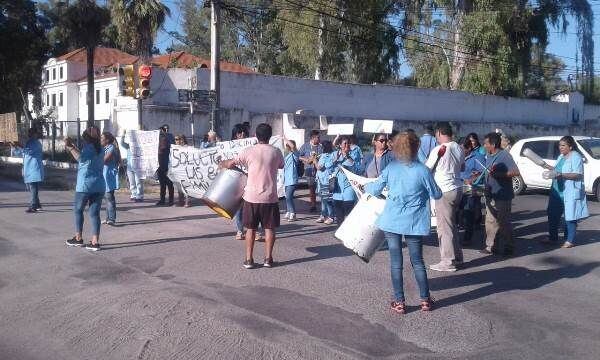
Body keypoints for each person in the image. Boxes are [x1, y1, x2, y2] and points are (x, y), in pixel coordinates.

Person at [365, 131, 442, 313]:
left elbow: (374, 190)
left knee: (396, 263)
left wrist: (365, 185)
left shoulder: (391, 168)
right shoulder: (423, 170)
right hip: (414, 222)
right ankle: (425, 300)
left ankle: (399, 302)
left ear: (396, 148)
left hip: (392, 220)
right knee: (418, 261)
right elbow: (437, 194)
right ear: (417, 148)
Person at [220, 123, 284, 269]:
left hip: (251, 196)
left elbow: (231, 163)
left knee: (251, 229)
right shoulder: (276, 151)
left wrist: (223, 163)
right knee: (269, 228)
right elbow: (281, 165)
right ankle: (268, 259)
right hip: (270, 197)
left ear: (255, 135)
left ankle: (249, 260)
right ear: (270, 136)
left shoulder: (248, 151)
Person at [425, 122, 465, 272]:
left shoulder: (439, 149)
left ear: (440, 133)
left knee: (444, 228)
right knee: (452, 224)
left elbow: (426, 169)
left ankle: (447, 261)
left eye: (436, 135)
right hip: (457, 187)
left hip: (444, 189)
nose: (436, 137)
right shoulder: (458, 147)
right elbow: (462, 167)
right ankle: (458, 257)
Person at [542, 136, 589, 248]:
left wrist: (561, 175)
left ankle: (570, 240)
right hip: (557, 191)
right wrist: (545, 165)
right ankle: (553, 238)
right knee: (552, 214)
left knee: (570, 216)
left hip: (570, 191)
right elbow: (556, 170)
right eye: (559, 145)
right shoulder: (561, 157)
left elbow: (578, 174)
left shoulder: (576, 157)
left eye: (563, 145)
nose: (560, 147)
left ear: (570, 146)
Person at [478, 132, 520, 256]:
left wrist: (499, 175)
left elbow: (516, 172)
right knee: (490, 222)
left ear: (493, 144)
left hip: (503, 196)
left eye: (486, 143)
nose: (484, 145)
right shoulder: (489, 155)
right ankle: (491, 246)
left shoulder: (504, 156)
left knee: (503, 222)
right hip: (491, 194)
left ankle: (509, 246)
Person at [64, 126, 105, 251]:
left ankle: (78, 238)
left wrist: (70, 147)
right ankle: (95, 242)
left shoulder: (89, 148)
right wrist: (72, 145)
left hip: (85, 185)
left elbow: (81, 159)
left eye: (84, 138)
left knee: (78, 210)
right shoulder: (101, 149)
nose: (83, 140)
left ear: (87, 138)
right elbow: (84, 156)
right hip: (99, 185)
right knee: (94, 214)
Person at [12, 127, 44, 213]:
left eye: (32, 133)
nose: (30, 134)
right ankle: (37, 204)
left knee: (33, 188)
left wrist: (19, 145)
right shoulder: (29, 142)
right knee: (31, 188)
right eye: (29, 133)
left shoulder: (37, 143)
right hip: (28, 169)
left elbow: (28, 151)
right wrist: (14, 146)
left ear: (36, 134)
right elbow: (19, 153)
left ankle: (33, 206)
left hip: (34, 169)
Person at [459, 139, 485, 245]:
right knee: (459, 213)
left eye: (462, 149)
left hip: (470, 189)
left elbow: (484, 171)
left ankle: (467, 237)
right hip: (458, 188)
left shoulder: (477, 157)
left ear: (469, 148)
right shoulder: (458, 157)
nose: (459, 151)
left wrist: (472, 178)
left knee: (468, 212)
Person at [331, 136, 360, 224]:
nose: (347, 145)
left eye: (349, 143)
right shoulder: (334, 154)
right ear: (340, 145)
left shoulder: (354, 154)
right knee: (339, 216)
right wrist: (335, 161)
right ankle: (339, 232)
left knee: (349, 213)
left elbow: (358, 169)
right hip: (337, 189)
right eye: (345, 143)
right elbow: (328, 168)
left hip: (349, 188)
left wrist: (348, 158)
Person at [298, 130, 323, 212]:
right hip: (309, 170)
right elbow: (298, 156)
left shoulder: (321, 146)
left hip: (320, 170)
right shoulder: (305, 146)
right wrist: (306, 159)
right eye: (318, 137)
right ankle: (313, 205)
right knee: (312, 188)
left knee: (322, 188)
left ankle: (324, 205)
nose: (319, 139)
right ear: (313, 138)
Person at [101, 132, 120, 225]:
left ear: (107, 140)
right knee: (106, 197)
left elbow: (104, 160)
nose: (100, 140)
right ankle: (108, 217)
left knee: (109, 197)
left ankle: (112, 218)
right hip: (103, 175)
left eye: (102, 138)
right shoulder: (104, 148)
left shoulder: (112, 148)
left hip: (109, 176)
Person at [120, 130, 144, 202]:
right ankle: (133, 194)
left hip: (138, 166)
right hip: (130, 167)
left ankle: (139, 195)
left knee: (138, 182)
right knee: (132, 182)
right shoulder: (128, 146)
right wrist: (123, 135)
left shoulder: (140, 146)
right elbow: (122, 143)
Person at [315, 140, 336, 224]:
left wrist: (314, 160)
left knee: (327, 199)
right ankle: (323, 215)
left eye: (321, 146)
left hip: (326, 180)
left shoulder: (328, 156)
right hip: (321, 179)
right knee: (323, 199)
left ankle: (331, 216)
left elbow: (319, 167)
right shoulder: (325, 154)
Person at [156, 124, 174, 206]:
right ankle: (162, 199)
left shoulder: (169, 138)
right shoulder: (157, 140)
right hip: (159, 165)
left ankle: (171, 200)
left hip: (167, 165)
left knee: (169, 183)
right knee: (162, 184)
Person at [283, 138, 299, 221]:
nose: (287, 147)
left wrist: (285, 138)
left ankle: (293, 213)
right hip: (286, 179)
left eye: (288, 145)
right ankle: (289, 211)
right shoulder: (285, 154)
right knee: (287, 197)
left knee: (289, 196)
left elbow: (293, 147)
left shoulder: (295, 154)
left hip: (292, 179)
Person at [174, 134, 192, 207]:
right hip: (178, 169)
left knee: (186, 186)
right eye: (175, 139)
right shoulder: (174, 148)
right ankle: (180, 201)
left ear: (182, 140)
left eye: (177, 139)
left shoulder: (188, 148)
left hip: (186, 169)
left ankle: (187, 201)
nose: (176, 141)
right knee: (179, 186)